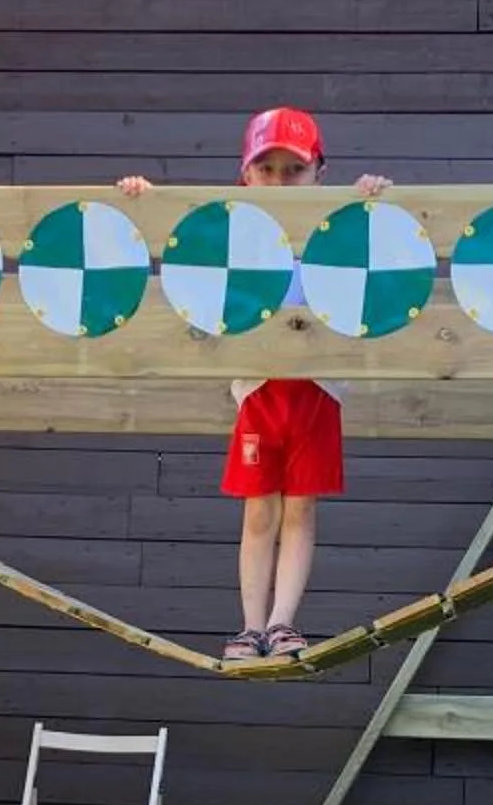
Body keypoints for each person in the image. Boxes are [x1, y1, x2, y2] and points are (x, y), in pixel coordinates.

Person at [120, 107, 388, 661]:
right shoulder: (233, 229)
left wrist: (371, 197)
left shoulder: (332, 225)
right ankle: (251, 626)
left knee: (300, 510)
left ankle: (282, 621)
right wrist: (144, 200)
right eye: (267, 170)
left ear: (319, 173)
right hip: (258, 388)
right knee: (260, 510)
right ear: (246, 176)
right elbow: (183, 241)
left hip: (317, 387)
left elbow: (378, 249)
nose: (280, 182)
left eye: (294, 170)